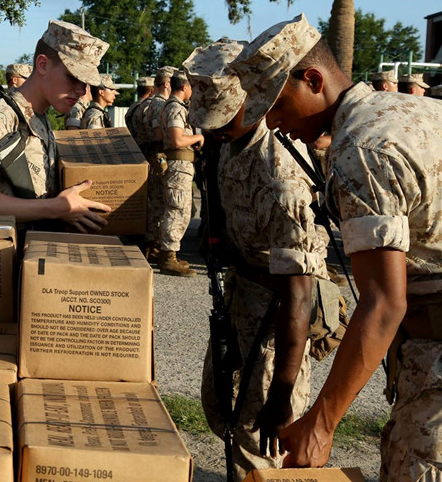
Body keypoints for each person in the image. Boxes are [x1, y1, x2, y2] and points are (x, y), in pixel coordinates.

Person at [229, 13, 442, 478]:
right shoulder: (417, 111)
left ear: (312, 78)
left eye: (278, 104)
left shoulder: (362, 151)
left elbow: (384, 303)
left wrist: (321, 423)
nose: (273, 123)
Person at [184, 38, 331, 481]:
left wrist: (282, 393)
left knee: (261, 439)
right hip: (241, 298)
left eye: (222, 121)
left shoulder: (280, 177)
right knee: (220, 410)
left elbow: (299, 293)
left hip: (279, 316)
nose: (214, 131)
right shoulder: (229, 143)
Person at [0, 20, 111, 231]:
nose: (82, 90)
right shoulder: (0, 117)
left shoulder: (38, 119)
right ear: (43, 64)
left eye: (85, 83)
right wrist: (57, 208)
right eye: (73, 77)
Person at [155, 70, 202, 276]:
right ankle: (168, 256)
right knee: (177, 209)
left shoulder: (173, 107)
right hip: (178, 165)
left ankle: (170, 253)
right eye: (191, 87)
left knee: (181, 208)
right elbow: (176, 140)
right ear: (184, 87)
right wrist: (198, 139)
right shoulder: (175, 108)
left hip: (180, 165)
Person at [136, 65, 176, 262]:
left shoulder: (153, 103)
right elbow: (158, 135)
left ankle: (152, 245)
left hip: (153, 156)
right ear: (168, 83)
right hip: (158, 155)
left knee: (157, 202)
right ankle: (153, 246)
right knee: (159, 203)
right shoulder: (159, 104)